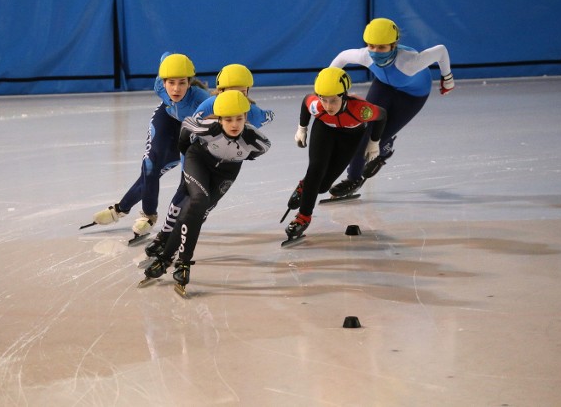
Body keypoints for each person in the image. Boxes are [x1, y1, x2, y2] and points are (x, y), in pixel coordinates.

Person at [143, 90, 271, 289]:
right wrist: (187, 152)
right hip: (199, 161)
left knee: (193, 212)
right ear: (219, 119)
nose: (235, 124)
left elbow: (258, 152)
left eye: (239, 118)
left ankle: (165, 258)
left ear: (246, 117)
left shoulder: (257, 140)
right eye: (228, 119)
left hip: (226, 173)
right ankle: (183, 262)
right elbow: (185, 128)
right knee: (199, 200)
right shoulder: (208, 128)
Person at [328, 18, 455, 198]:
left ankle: (383, 150)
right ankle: (353, 179)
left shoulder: (410, 62)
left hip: (412, 96)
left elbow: (441, 50)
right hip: (384, 86)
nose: (375, 51)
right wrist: (330, 86)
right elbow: (341, 58)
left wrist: (447, 78)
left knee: (378, 138)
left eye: (381, 47)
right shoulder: (365, 55)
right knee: (362, 132)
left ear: (394, 45)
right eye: (371, 46)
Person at [87, 53, 209, 238]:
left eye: (182, 82)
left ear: (190, 82)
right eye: (171, 82)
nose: (176, 89)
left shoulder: (202, 101)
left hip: (187, 130)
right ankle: (148, 216)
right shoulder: (159, 85)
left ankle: (120, 208)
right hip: (166, 119)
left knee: (168, 176)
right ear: (163, 81)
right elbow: (165, 56)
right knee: (150, 165)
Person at [284, 67, 387, 239]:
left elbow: (382, 115)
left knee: (323, 187)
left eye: (333, 101)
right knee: (315, 169)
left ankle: (304, 186)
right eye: (323, 100)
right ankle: (303, 218)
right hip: (324, 130)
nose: (328, 106)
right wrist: (302, 128)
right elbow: (305, 101)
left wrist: (374, 142)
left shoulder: (361, 110)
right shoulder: (317, 106)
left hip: (350, 136)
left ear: (344, 95)